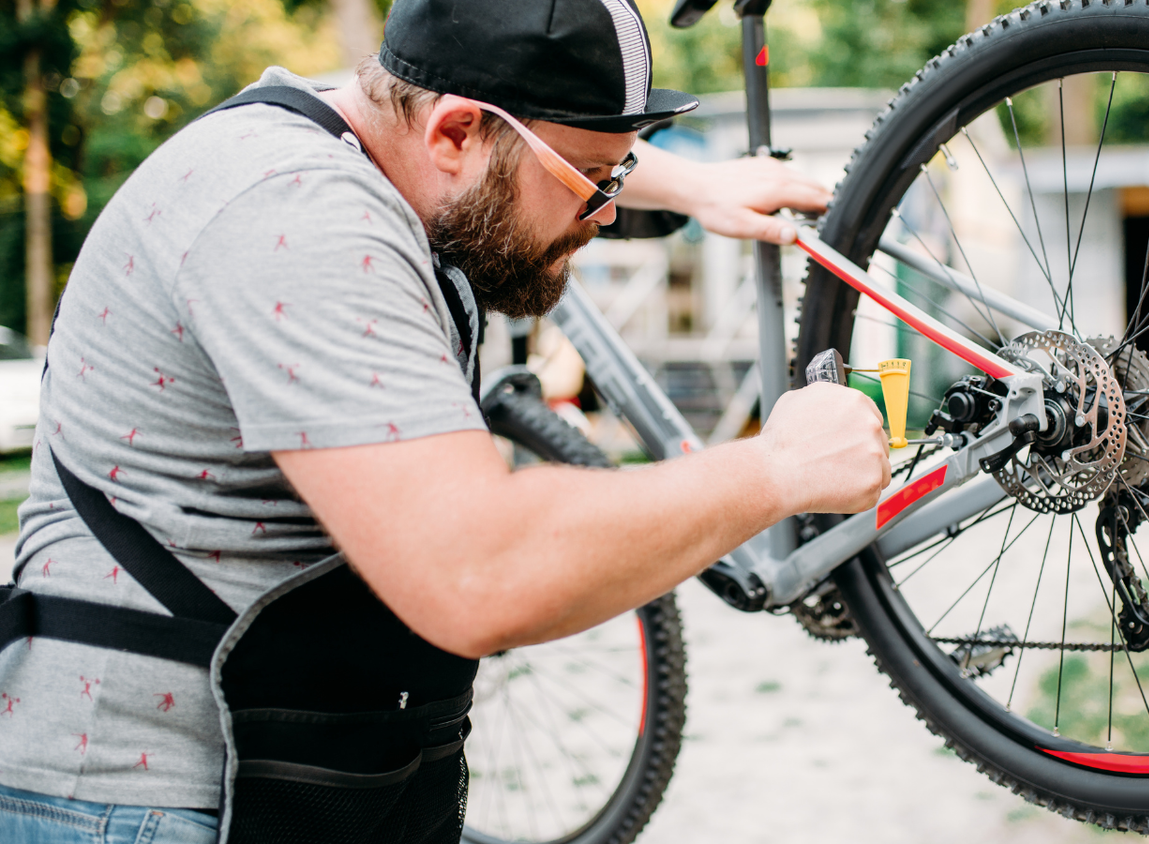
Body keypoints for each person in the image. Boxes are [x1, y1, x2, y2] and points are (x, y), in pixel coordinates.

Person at [0, 0, 890, 841]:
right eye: (593, 180)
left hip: (296, 783)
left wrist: (695, 185)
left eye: (618, 172)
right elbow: (478, 572)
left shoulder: (380, 127)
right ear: (455, 131)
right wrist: (775, 468)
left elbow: (527, 142)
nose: (610, 210)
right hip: (142, 806)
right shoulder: (299, 212)